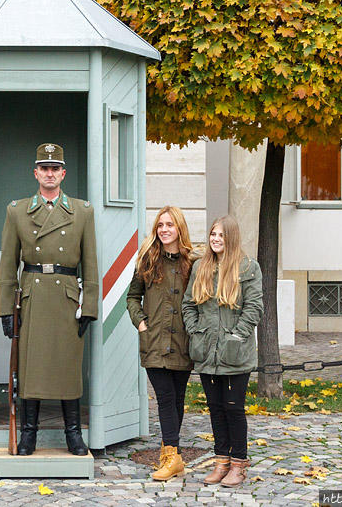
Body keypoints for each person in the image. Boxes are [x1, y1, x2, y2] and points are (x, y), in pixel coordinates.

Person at [0, 142, 99, 456]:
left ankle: (73, 434)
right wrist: (5, 309)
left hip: (66, 297)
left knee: (68, 367)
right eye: (44, 168)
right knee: (31, 368)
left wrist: (90, 306)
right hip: (33, 295)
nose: (50, 173)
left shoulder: (82, 211)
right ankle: (29, 434)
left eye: (55, 168)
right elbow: (7, 264)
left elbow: (91, 263)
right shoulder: (17, 211)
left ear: (63, 173)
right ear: (36, 173)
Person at [182, 215, 263, 488]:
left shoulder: (248, 268)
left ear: (232, 237)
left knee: (233, 408)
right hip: (206, 351)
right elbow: (188, 304)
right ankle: (221, 461)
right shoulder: (200, 267)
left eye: (221, 235)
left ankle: (239, 464)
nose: (216, 239)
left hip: (235, 352)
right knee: (215, 408)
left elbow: (254, 307)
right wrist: (195, 331)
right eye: (213, 234)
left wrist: (237, 336)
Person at [126, 205, 201, 481]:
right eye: (160, 225)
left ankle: (172, 453)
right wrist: (141, 322)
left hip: (183, 341)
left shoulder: (193, 263)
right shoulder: (147, 260)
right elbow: (132, 297)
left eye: (170, 224)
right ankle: (171, 455)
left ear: (179, 228)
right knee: (166, 397)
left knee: (178, 399)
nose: (164, 229)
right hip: (155, 341)